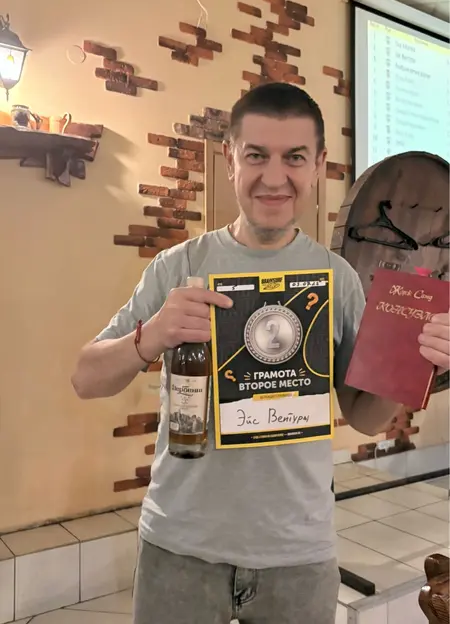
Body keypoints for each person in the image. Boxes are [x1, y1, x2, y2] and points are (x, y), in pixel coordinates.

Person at [71, 82, 450, 624]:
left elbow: (365, 418)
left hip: (298, 556)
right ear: (230, 158)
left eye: (294, 157)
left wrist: (415, 363)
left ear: (318, 164)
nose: (274, 178)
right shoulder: (178, 266)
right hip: (180, 548)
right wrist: (148, 336)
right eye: (256, 156)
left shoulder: (339, 278)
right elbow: (86, 378)